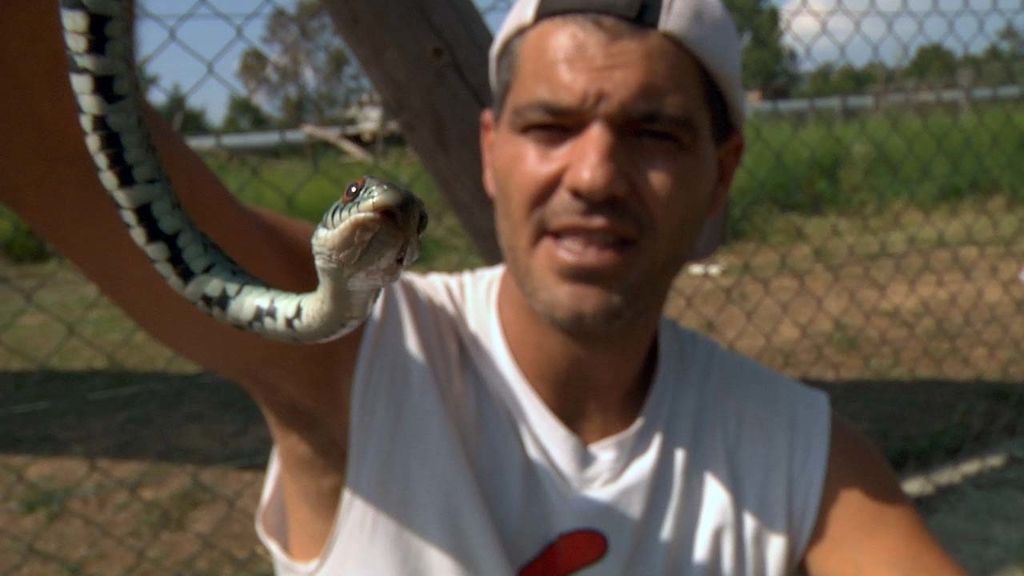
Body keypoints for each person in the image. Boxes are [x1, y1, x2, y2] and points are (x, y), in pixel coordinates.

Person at [0, 0, 965, 574]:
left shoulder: (801, 452)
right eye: (550, 125)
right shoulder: (358, 353)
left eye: (655, 133)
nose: (593, 175)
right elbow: (39, 126)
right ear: (491, 152)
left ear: (723, 172)